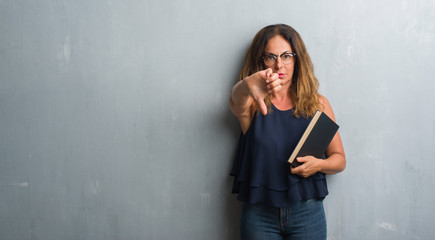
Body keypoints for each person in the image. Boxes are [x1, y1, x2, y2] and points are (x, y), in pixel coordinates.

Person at [229, 24, 346, 240]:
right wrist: (246, 85)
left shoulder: (318, 103)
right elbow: (235, 101)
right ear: (260, 61)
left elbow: (339, 160)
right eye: (270, 57)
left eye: (286, 56)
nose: (279, 65)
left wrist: (318, 165)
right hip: (259, 214)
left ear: (297, 59)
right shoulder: (254, 103)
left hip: (307, 213)